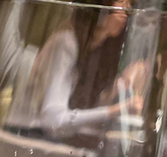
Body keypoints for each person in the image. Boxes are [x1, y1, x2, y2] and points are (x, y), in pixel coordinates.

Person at [8, 0, 147, 141]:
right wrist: (118, 110)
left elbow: (80, 111)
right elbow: (53, 120)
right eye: (121, 1)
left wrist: (120, 85)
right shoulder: (66, 42)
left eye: (130, 3)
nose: (127, 10)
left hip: (46, 139)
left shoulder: (93, 50)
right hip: (25, 136)